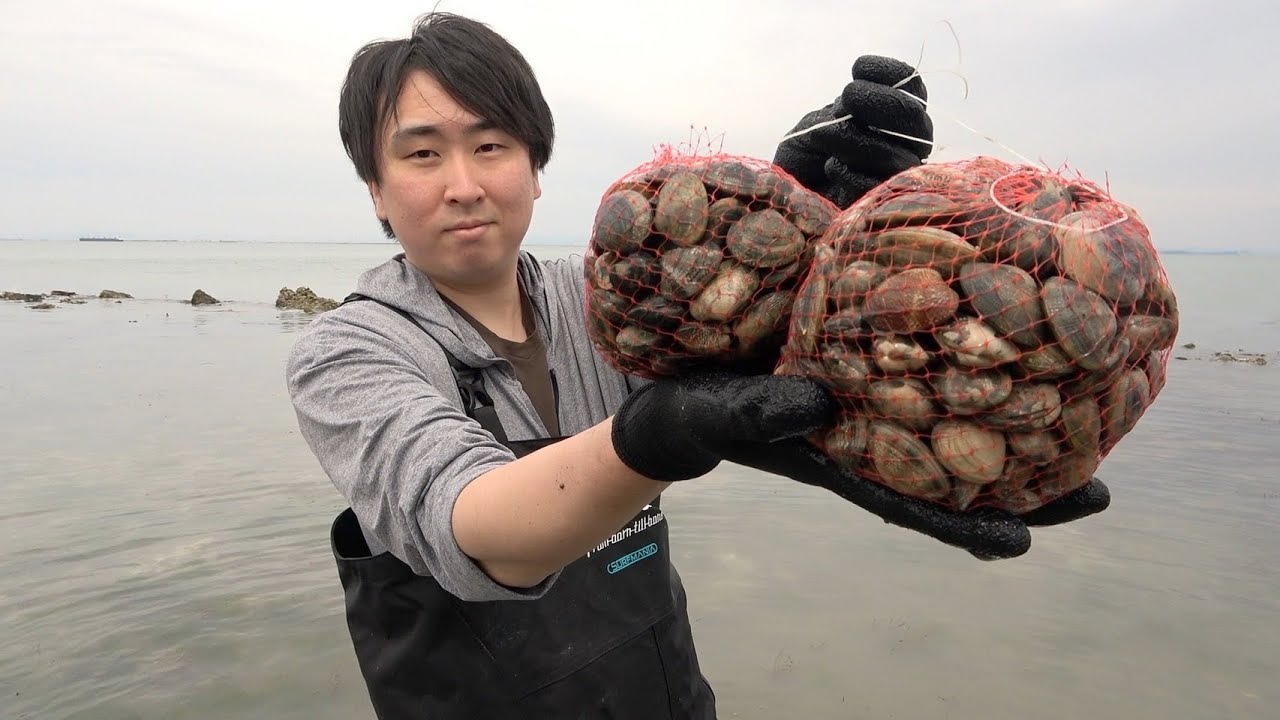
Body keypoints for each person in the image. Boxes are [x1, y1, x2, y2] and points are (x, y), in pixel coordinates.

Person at [285, 12, 1110, 719]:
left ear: (535, 169)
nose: (463, 184)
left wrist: (800, 224)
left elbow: (767, 343)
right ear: (376, 188)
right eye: (422, 155)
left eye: (491, 145)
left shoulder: (607, 298)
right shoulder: (350, 352)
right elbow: (476, 527)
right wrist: (659, 438)